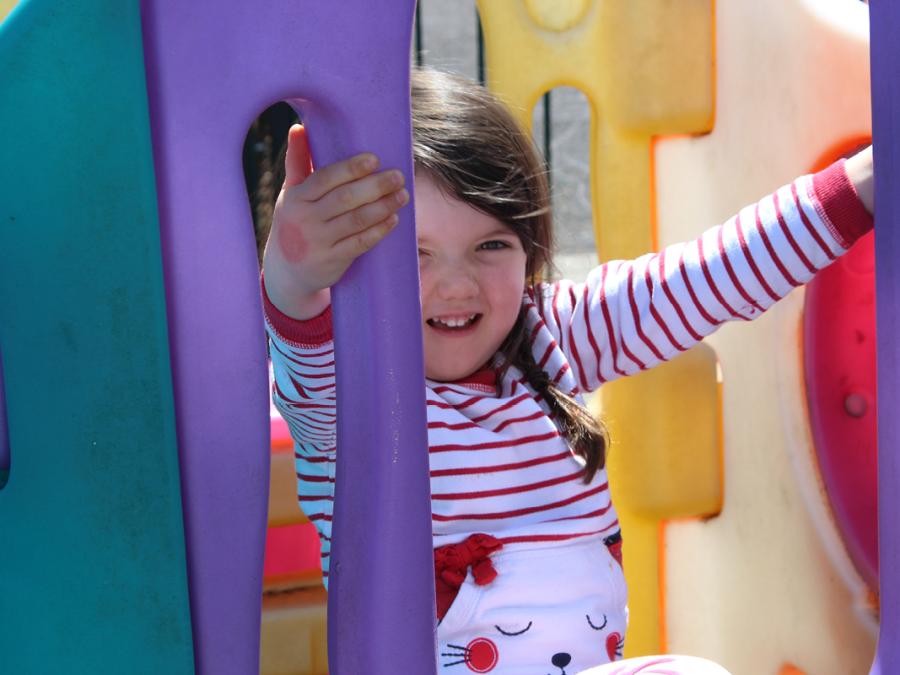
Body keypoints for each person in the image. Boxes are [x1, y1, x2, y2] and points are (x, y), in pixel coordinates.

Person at [261, 67, 874, 674]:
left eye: (492, 245)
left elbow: (702, 280)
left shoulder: (548, 335)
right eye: (414, 253)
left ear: (529, 250)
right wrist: (296, 270)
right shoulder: (354, 393)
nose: (456, 283)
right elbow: (302, 338)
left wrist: (862, 187)